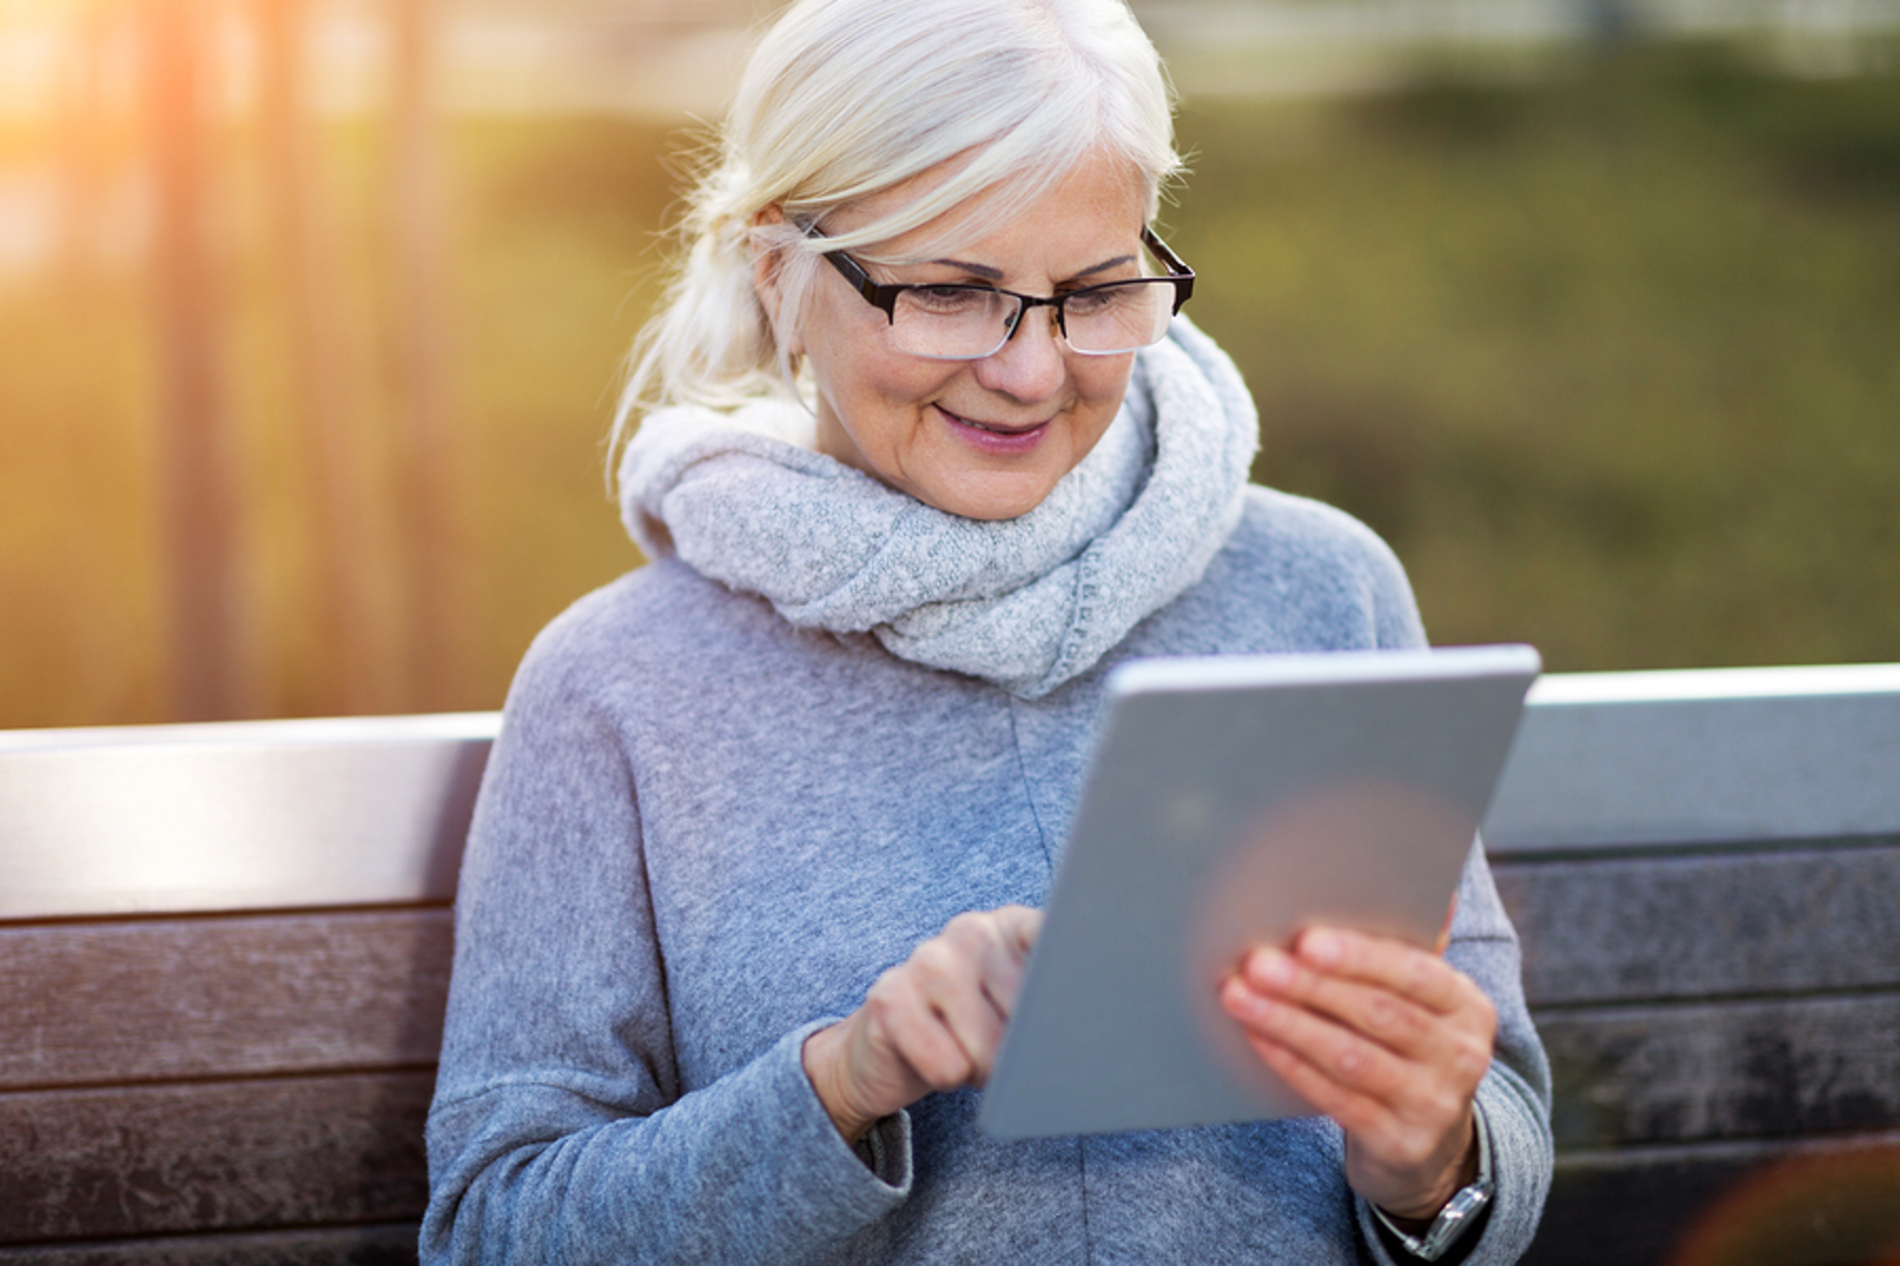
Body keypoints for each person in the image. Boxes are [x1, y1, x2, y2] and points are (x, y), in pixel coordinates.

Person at [421, 0, 1553, 1261]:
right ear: (774, 272)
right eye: (952, 293)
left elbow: (1491, 1129)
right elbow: (493, 1232)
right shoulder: (613, 688)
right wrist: (844, 1079)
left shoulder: (1323, 593)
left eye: (1092, 291)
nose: (1029, 372)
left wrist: (1431, 1160)